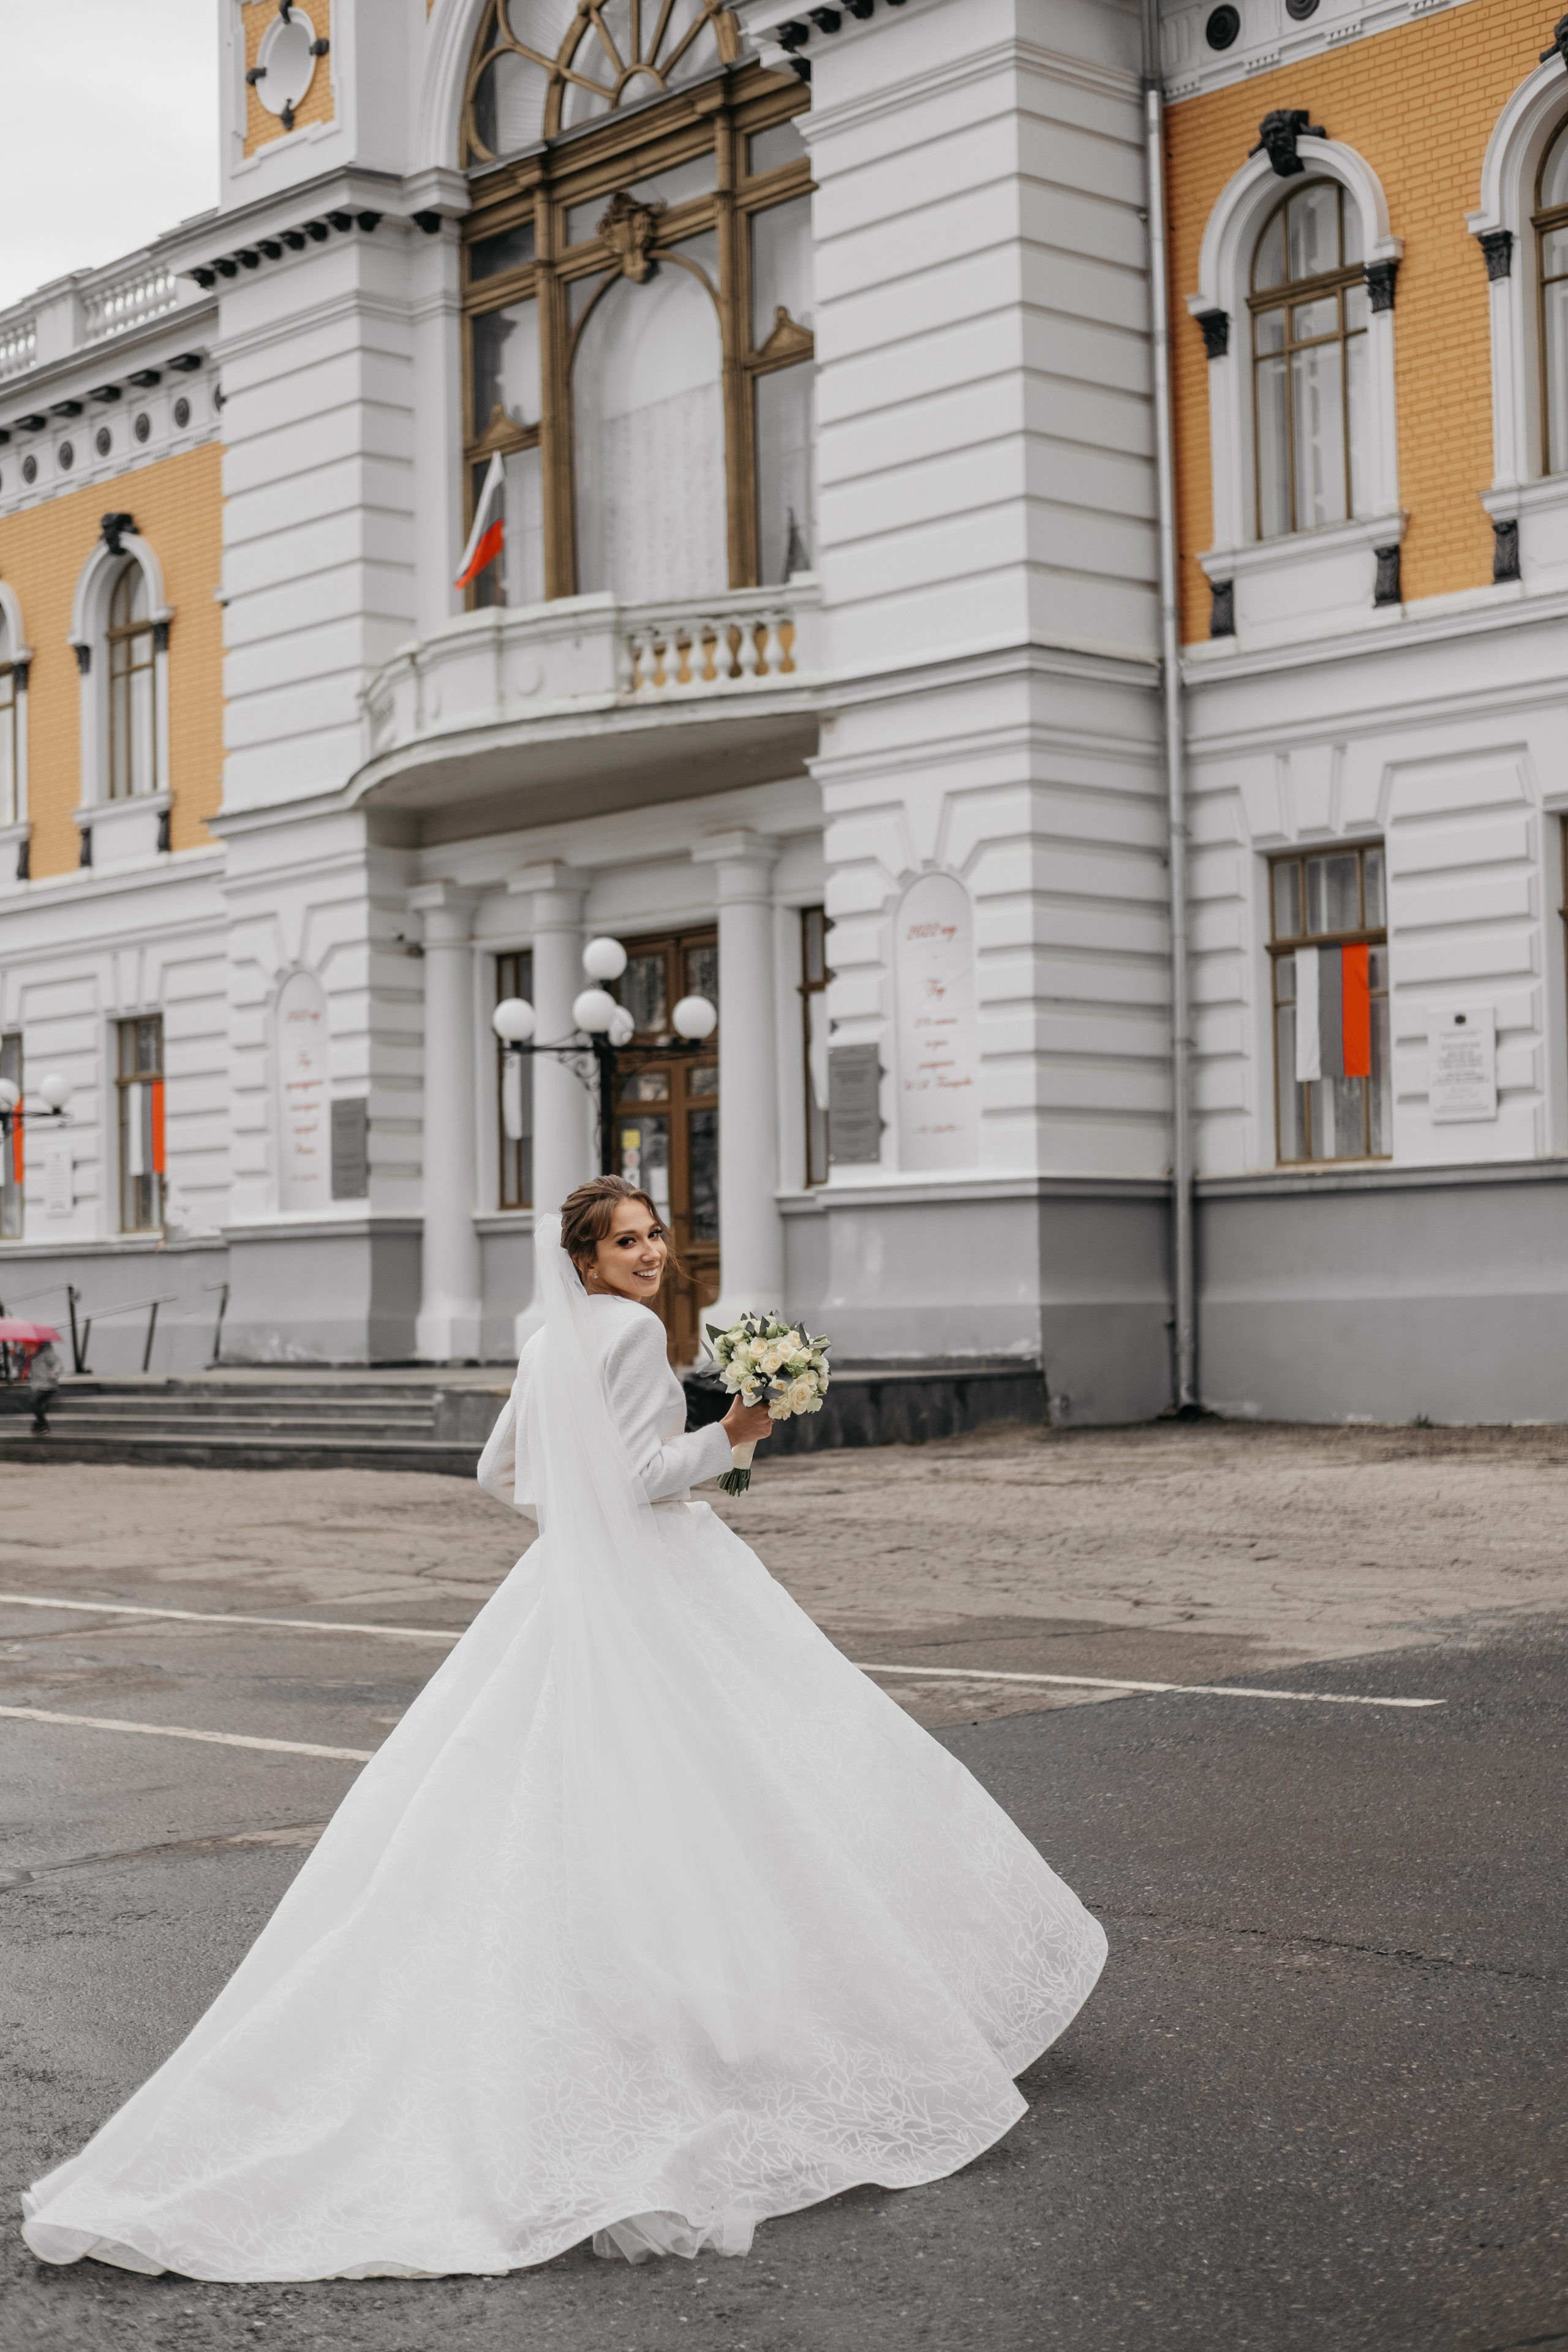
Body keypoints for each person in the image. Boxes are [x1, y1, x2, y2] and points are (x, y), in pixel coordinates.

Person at [21, 1176, 1105, 2281]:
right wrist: (736, 1432)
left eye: (655, 1235)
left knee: (578, 1790)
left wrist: (575, 1519)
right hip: (659, 1577)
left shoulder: (550, 1337)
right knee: (764, 1777)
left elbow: (499, 1471)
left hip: (567, 1586)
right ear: (585, 1261)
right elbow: (642, 1477)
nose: (650, 1254)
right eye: (625, 1242)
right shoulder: (633, 1333)